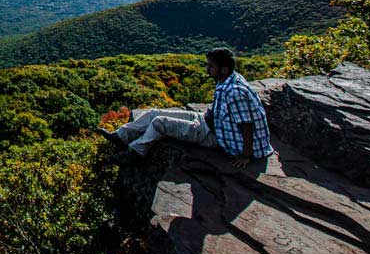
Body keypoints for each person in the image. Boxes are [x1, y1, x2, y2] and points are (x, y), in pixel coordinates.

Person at [99, 48, 274, 168]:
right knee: (152, 112)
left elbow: (247, 124)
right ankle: (120, 136)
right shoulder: (229, 79)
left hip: (216, 135)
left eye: (211, 66)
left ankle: (136, 152)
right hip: (208, 120)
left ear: (224, 69)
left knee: (160, 123)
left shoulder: (235, 92)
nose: (207, 69)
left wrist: (246, 155)